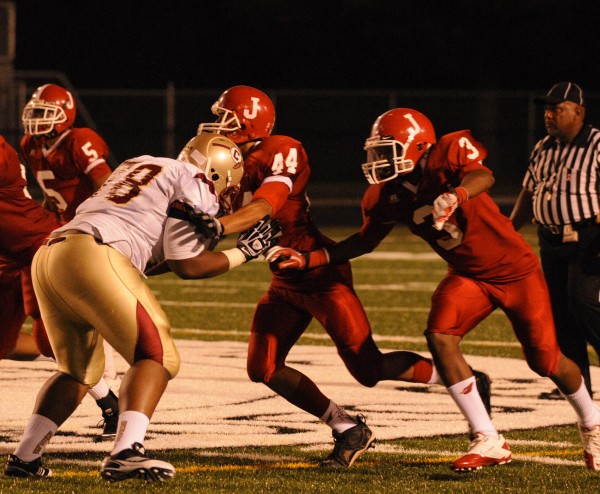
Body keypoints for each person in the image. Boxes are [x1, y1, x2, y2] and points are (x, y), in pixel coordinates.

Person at [269, 107, 600, 472]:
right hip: (467, 274)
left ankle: (592, 422)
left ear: (416, 145)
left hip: (515, 272)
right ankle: (487, 437)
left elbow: (482, 175)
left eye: (387, 150)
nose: (378, 160)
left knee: (546, 361)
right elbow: (363, 242)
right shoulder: (386, 196)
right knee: (440, 336)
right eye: (376, 152)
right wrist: (310, 259)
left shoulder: (448, 151)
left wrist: (456, 194)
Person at [196, 86, 491, 469]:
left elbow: (262, 207)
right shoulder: (222, 159)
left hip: (320, 272)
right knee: (263, 369)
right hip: (285, 279)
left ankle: (462, 377)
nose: (218, 125)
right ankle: (347, 427)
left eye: (227, 118)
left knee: (367, 369)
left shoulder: (281, 150)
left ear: (250, 124)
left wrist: (217, 227)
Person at [4, 132, 280, 481]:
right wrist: (243, 253)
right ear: (216, 173)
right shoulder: (195, 181)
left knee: (78, 371)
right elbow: (187, 264)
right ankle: (126, 451)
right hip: (95, 253)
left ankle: (25, 458)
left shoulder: (140, 165)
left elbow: (148, 257)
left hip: (52, 255)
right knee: (157, 356)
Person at [0, 133, 119, 441]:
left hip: (34, 247)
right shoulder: (31, 144)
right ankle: (106, 395)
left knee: (52, 342)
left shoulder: (3, 150)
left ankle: (108, 398)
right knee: (14, 344)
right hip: (9, 251)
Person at [20, 82, 120, 384]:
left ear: (64, 114)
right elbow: (52, 193)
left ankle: (107, 360)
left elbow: (108, 185)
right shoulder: (31, 145)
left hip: (91, 229)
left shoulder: (80, 140)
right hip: (64, 227)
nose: (36, 118)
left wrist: (102, 225)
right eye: (34, 112)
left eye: (44, 112)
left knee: (86, 294)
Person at [510, 82, 600, 401]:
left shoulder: (597, 144)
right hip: (550, 240)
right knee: (561, 313)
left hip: (588, 239)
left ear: (579, 112)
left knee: (584, 303)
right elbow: (528, 190)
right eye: (547, 109)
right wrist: (508, 230)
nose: (549, 115)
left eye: (557, 108)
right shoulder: (543, 147)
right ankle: (578, 386)